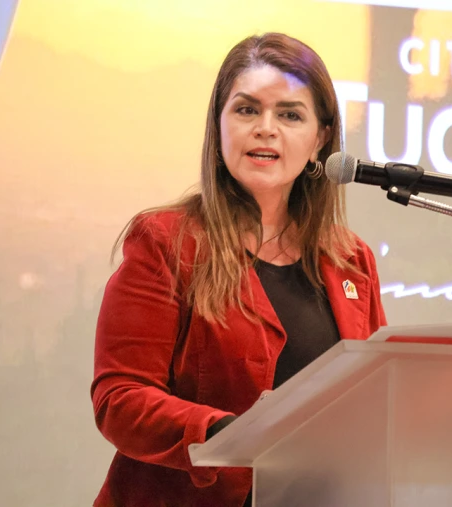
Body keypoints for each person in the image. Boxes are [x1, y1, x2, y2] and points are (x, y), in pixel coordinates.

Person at [91, 32, 387, 507]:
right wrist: (227, 434)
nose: (265, 128)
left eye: (290, 115)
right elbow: (120, 399)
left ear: (321, 140)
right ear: (220, 125)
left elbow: (377, 398)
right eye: (246, 110)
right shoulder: (166, 241)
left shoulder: (351, 261)